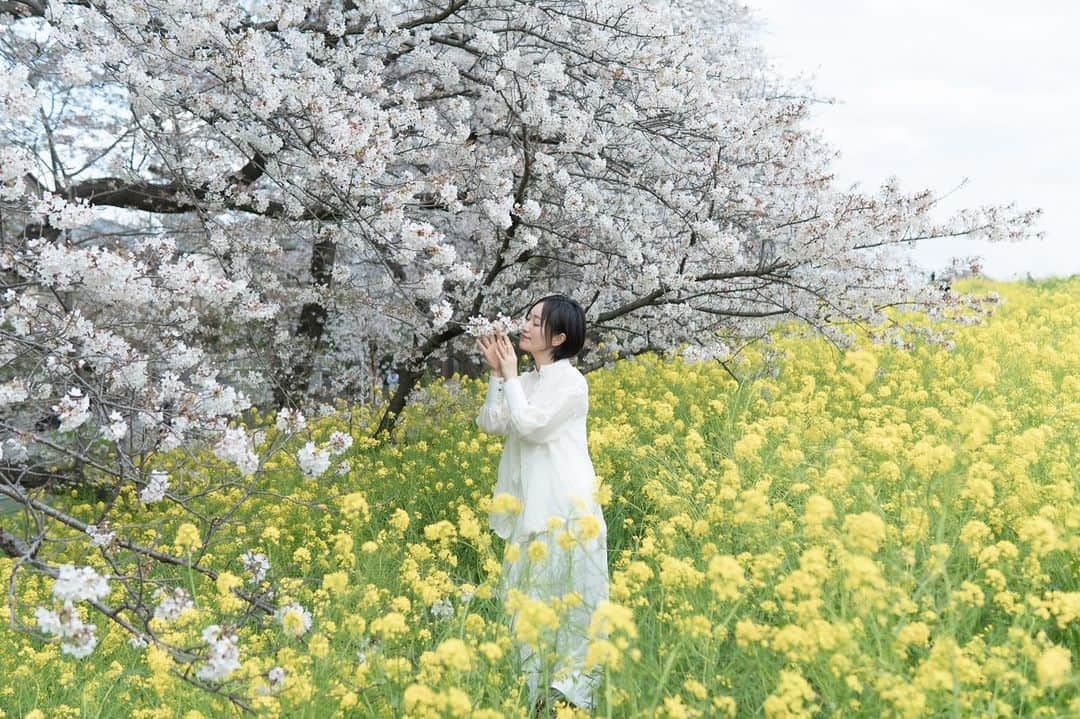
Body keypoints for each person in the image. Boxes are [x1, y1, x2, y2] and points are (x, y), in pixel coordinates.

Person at [474, 294, 609, 716]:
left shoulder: (572, 384)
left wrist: (512, 374)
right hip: (528, 510)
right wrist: (499, 375)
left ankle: (570, 697)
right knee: (526, 602)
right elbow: (492, 423)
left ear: (560, 336)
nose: (526, 327)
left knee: (572, 602)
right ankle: (537, 694)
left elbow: (531, 426)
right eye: (527, 318)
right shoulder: (526, 382)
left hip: (567, 510)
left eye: (536, 321)